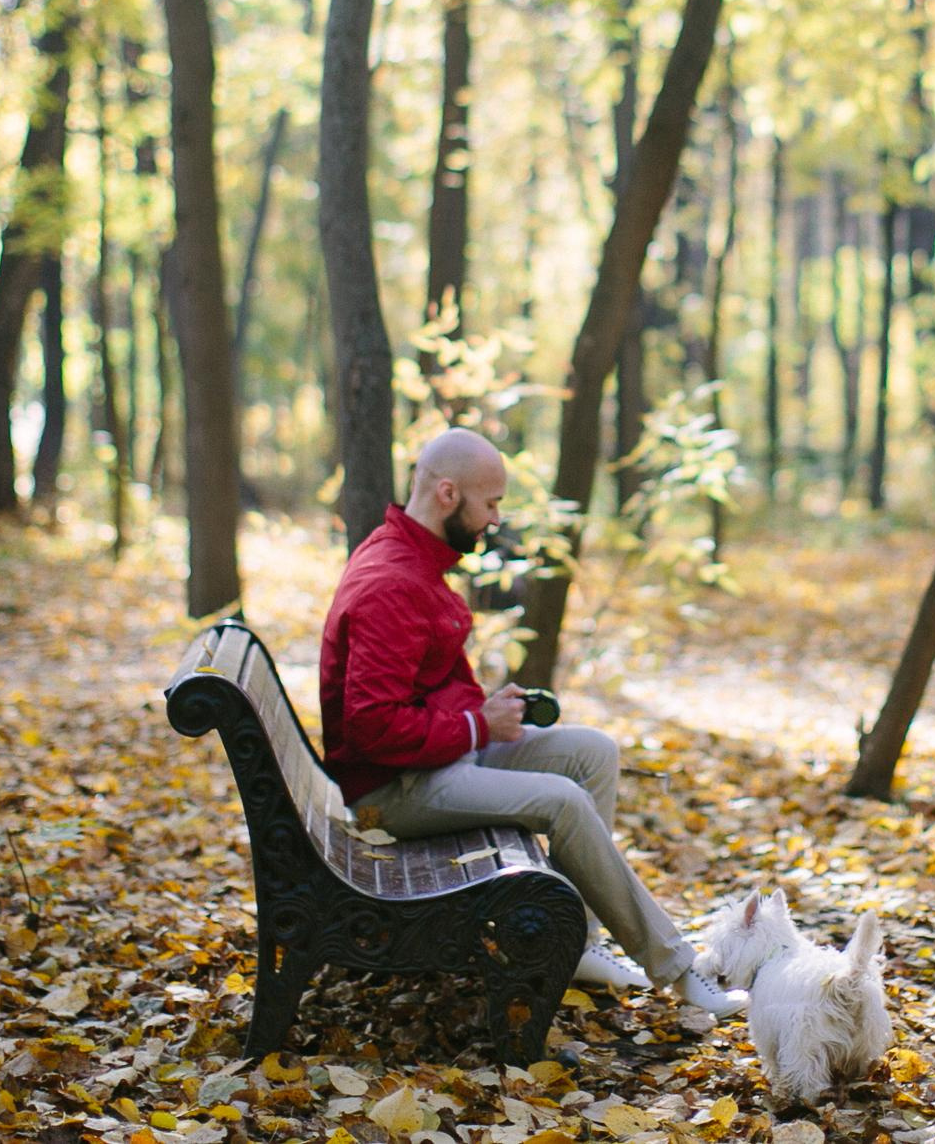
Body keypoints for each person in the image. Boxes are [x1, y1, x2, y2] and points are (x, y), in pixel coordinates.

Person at [318, 427, 747, 1020]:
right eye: (490, 503)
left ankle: (578, 943)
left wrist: (484, 715)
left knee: (592, 751)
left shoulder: (413, 557)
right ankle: (676, 969)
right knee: (563, 801)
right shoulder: (391, 583)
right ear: (447, 494)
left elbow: (419, 685)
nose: (496, 519)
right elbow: (372, 726)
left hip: (439, 760)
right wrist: (477, 726)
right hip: (392, 792)